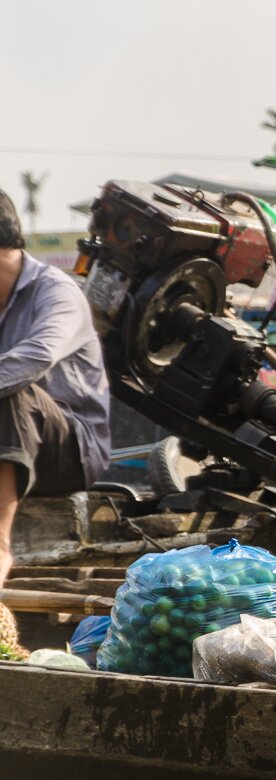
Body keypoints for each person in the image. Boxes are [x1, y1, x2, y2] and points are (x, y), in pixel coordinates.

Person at [0, 189, 111, 587]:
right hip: (14, 445)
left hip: (70, 450)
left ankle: (0, 545)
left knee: (14, 390)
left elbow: (35, 358)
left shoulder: (57, 292)